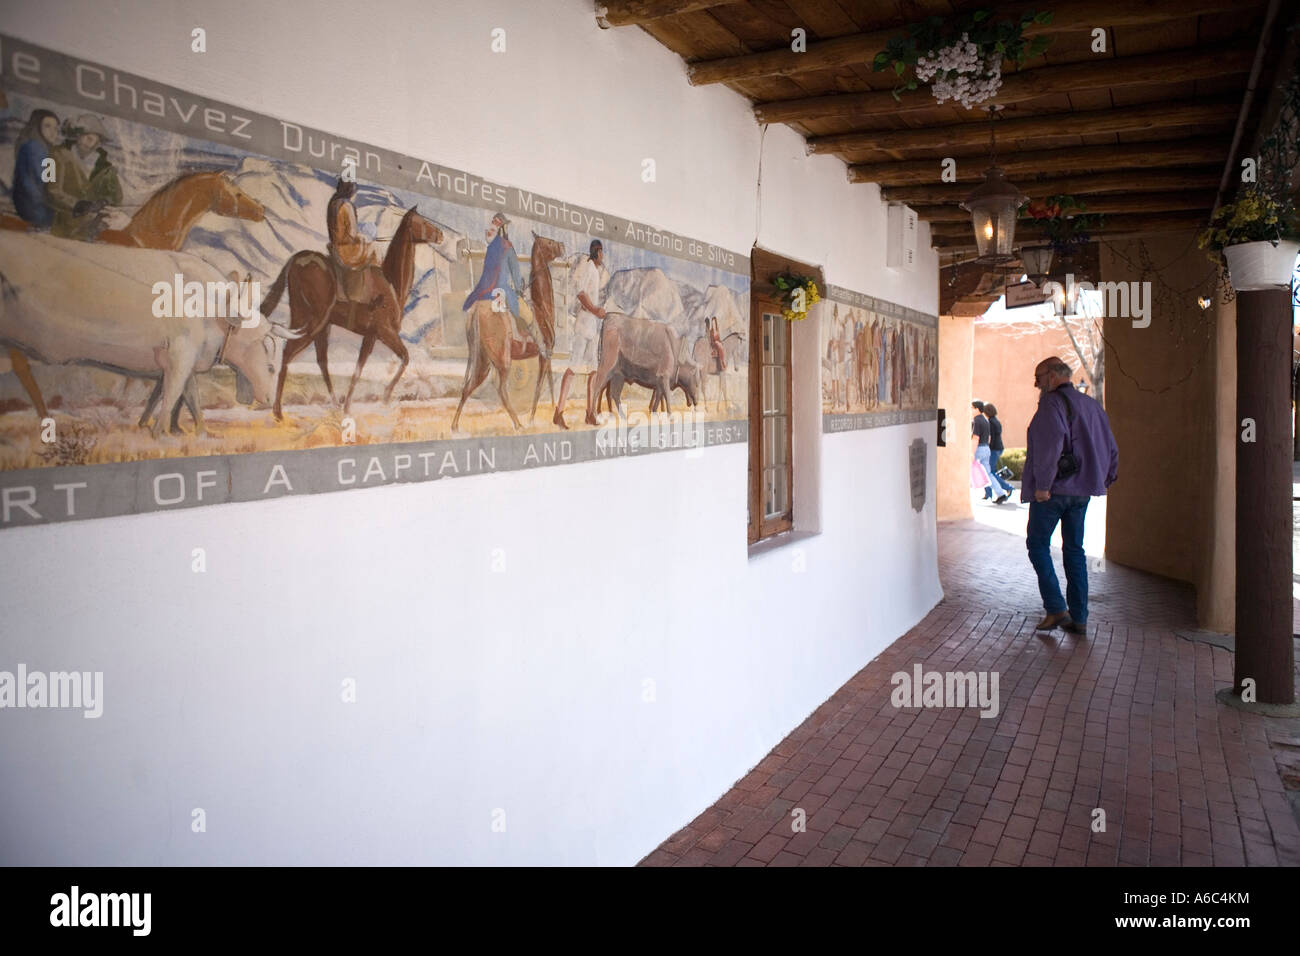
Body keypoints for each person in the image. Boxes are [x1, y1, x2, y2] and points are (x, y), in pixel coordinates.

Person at [1023, 356, 1119, 634]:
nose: (1036, 383)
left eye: (1038, 377)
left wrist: (1042, 485)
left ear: (1053, 376)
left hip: (1053, 490)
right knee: (1075, 550)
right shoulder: (1092, 405)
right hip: (1082, 491)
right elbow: (1111, 447)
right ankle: (1079, 616)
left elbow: (1049, 447)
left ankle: (1055, 608)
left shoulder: (1050, 404)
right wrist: (1106, 477)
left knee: (1037, 544)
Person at [553, 238, 606, 429]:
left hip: (592, 325)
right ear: (598, 252)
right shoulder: (587, 267)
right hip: (584, 323)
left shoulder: (595, 271)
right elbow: (581, 294)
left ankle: (589, 413)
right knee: (574, 367)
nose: (603, 256)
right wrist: (595, 310)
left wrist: (598, 312)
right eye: (602, 252)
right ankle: (558, 412)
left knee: (593, 370)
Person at [48, 114, 121, 240]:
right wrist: (77, 205)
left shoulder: (105, 167)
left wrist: (105, 201)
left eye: (95, 140)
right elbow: (50, 191)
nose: (90, 143)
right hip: (61, 227)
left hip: (90, 230)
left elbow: (117, 196)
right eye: (87, 137)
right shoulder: (54, 155)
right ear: (77, 136)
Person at [11, 109, 61, 230]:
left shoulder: (44, 149)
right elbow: (38, 183)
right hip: (33, 206)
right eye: (47, 126)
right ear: (37, 126)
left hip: (34, 203)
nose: (53, 132)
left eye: (55, 128)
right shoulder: (34, 148)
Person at [983, 402, 1015, 502]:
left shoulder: (991, 422)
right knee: (988, 471)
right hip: (997, 448)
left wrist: (987, 448)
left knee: (990, 472)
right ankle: (988, 493)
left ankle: (1007, 487)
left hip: (994, 449)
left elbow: (991, 438)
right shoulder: (995, 421)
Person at [970, 400, 1001, 503]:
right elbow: (989, 437)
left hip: (979, 449)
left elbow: (975, 438)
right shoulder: (985, 420)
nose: (970, 410)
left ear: (977, 409)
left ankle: (965, 496)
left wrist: (971, 452)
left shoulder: (976, 421)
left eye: (972, 408)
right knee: (988, 473)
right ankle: (1000, 493)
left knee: (970, 471)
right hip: (986, 448)